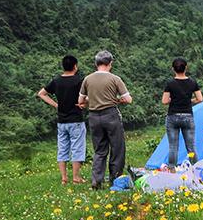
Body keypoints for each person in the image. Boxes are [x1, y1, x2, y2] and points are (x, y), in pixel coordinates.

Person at [78, 50, 132, 190]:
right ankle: (115, 179)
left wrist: (93, 99)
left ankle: (96, 180)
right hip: (111, 115)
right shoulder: (115, 79)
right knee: (117, 148)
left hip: (94, 117)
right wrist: (117, 100)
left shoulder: (87, 79)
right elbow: (128, 99)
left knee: (100, 150)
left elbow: (81, 100)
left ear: (96, 63)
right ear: (110, 63)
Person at [36, 55, 86, 185]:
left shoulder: (56, 81)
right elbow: (86, 97)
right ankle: (76, 177)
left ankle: (64, 178)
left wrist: (56, 105)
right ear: (75, 66)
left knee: (62, 148)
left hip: (61, 121)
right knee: (77, 148)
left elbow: (41, 93)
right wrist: (84, 103)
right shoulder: (79, 81)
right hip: (76, 120)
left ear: (63, 66)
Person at [162, 57, 203, 169]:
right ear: (186, 68)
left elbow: (164, 101)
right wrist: (190, 100)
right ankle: (196, 169)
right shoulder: (192, 82)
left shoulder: (170, 83)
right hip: (187, 116)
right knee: (191, 147)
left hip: (173, 116)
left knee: (173, 147)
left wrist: (173, 99)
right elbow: (200, 99)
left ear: (173, 69)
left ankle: (172, 171)